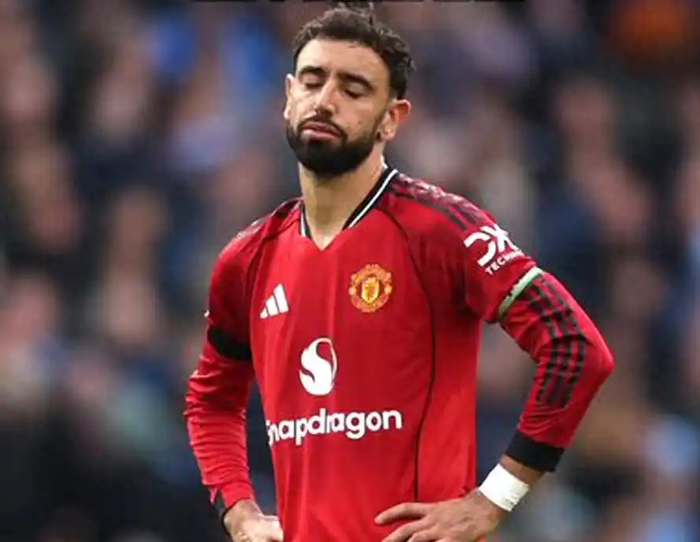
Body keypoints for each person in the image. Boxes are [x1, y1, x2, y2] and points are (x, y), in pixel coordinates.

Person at [184, 4, 615, 542]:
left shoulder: (439, 229)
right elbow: (211, 401)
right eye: (313, 81)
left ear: (392, 118)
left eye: (354, 89)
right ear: (289, 97)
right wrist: (239, 512)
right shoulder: (247, 259)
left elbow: (575, 347)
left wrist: (493, 500)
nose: (326, 100)